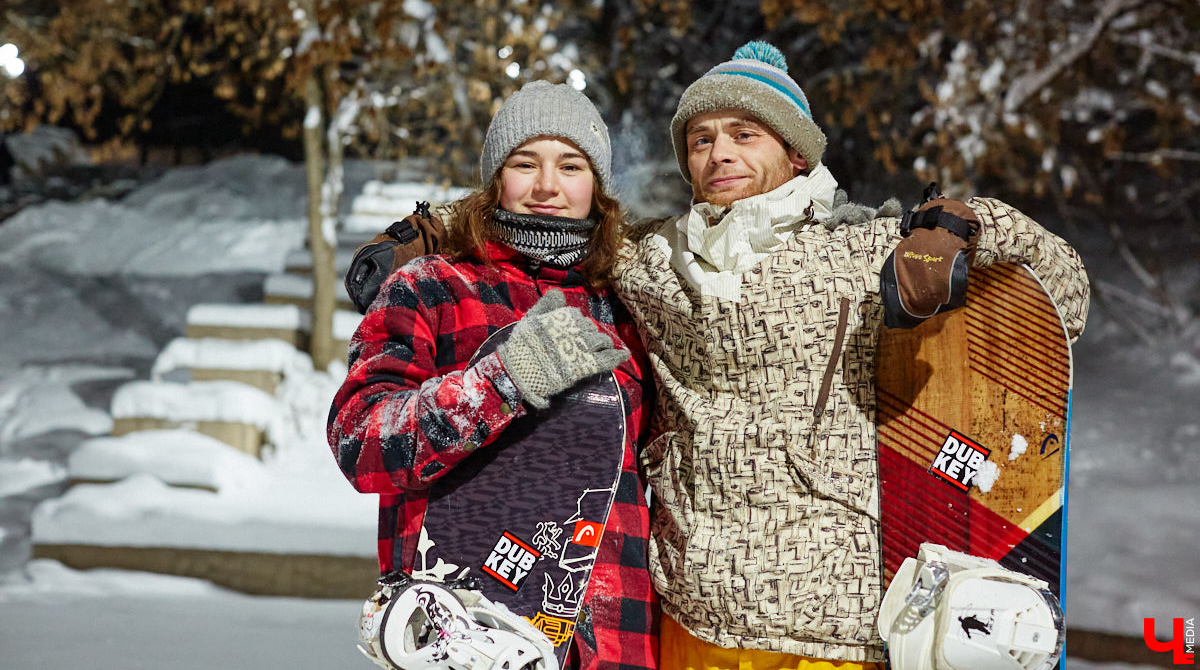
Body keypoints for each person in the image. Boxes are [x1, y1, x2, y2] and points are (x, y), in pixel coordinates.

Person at [609, 42, 1091, 669]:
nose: (719, 152)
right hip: (692, 610)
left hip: (832, 618)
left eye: (744, 134)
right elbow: (549, 233)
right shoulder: (651, 261)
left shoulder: (864, 249)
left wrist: (966, 226)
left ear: (796, 152)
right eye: (701, 140)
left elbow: (1065, 293)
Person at [328, 80, 658, 670]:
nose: (548, 186)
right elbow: (361, 440)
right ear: (495, 179)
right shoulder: (433, 287)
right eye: (525, 163)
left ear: (597, 187)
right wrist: (504, 380)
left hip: (611, 643)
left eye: (571, 166)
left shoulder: (629, 304)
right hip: (462, 638)